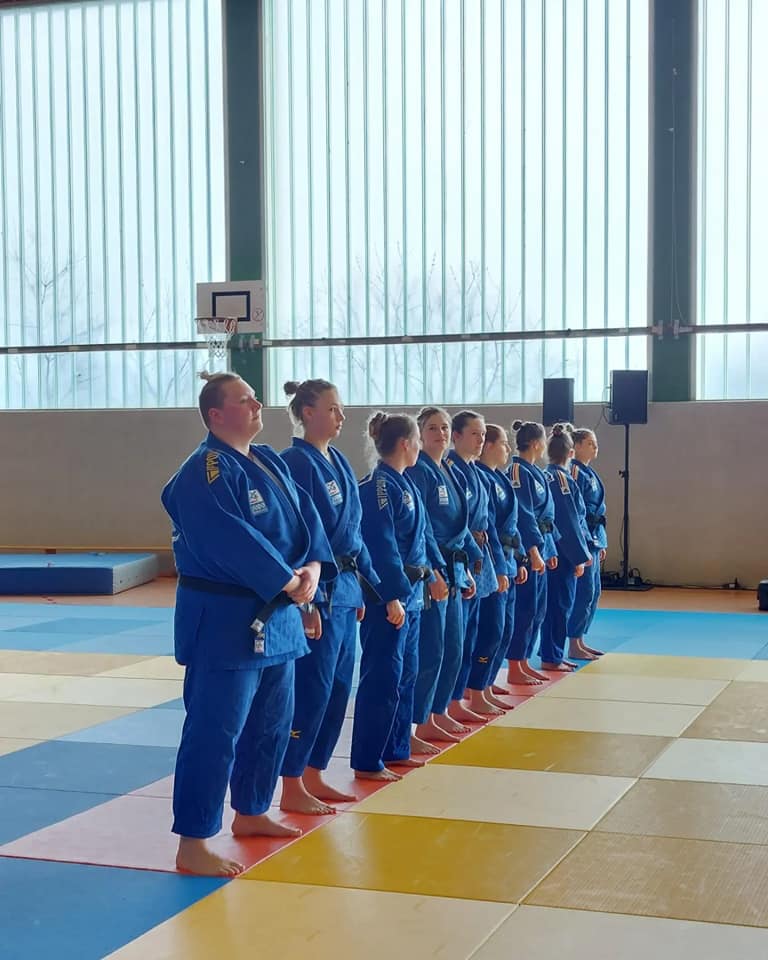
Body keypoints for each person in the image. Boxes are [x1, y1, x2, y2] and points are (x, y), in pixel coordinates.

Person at [161, 372, 336, 877]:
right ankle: (194, 841)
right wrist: (288, 579)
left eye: (255, 398)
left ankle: (253, 810)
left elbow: (309, 523)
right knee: (215, 731)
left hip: (277, 617)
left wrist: (312, 570)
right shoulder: (204, 471)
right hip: (225, 622)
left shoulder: (268, 461)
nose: (257, 404)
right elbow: (229, 539)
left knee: (271, 724)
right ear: (216, 415)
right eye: (245, 399)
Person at [278, 379, 382, 815]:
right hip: (317, 591)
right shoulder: (294, 464)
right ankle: (291, 781)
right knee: (312, 689)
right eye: (333, 408)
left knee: (338, 689)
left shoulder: (337, 460)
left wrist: (366, 590)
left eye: (341, 409)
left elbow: (354, 533)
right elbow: (296, 537)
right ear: (307, 412)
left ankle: (315, 771)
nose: (341, 416)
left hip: (345, 588)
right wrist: (307, 602)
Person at [351, 412, 436, 781]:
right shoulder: (378, 487)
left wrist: (430, 575)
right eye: (417, 439)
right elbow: (380, 547)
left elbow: (418, 541)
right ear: (405, 443)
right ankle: (368, 759)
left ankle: (396, 748)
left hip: (411, 593)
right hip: (388, 598)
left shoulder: (404, 483)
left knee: (405, 674)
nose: (419, 446)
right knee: (382, 678)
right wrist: (391, 597)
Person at [406, 407, 479, 743]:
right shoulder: (419, 471)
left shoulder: (447, 469)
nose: (441, 434)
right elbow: (419, 530)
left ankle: (438, 711)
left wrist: (467, 568)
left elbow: (461, 527)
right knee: (432, 648)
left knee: (453, 646)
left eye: (445, 428)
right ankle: (418, 721)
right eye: (433, 428)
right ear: (420, 434)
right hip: (433, 570)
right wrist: (433, 572)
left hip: (453, 568)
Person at [445, 410, 504, 723]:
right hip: (461, 558)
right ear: (456, 436)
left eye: (483, 434)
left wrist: (499, 564)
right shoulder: (451, 469)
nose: (481, 439)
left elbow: (487, 522)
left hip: (480, 555)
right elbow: (453, 523)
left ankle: (471, 692)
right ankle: (453, 700)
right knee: (459, 638)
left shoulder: (476, 472)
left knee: (477, 631)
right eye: (474, 434)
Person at [472, 424, 529, 710]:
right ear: (489, 446)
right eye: (504, 443)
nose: (508, 448)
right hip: (493, 563)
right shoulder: (481, 479)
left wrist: (519, 557)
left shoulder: (500, 478)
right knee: (491, 629)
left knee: (505, 628)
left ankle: (486, 681)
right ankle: (476, 688)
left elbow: (512, 525)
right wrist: (499, 567)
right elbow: (490, 527)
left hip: (507, 558)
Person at [505, 420, 557, 684]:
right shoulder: (517, 471)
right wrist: (533, 550)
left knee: (538, 609)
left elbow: (547, 514)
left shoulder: (536, 472)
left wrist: (550, 547)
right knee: (524, 609)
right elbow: (523, 514)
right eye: (544, 441)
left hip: (543, 545)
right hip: (527, 549)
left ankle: (524, 661)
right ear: (536, 443)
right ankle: (515, 665)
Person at [540, 424, 592, 671]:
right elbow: (569, 521)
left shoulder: (547, 474)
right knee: (559, 605)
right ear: (571, 453)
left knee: (555, 605)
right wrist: (579, 555)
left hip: (554, 549)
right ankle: (552, 656)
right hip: (562, 551)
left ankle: (553, 652)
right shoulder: (560, 479)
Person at [567, 427, 607, 659]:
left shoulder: (589, 472)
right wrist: (583, 544)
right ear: (577, 446)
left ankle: (580, 638)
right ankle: (573, 642)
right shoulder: (574, 471)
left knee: (594, 592)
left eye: (595, 443)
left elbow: (597, 512)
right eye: (590, 443)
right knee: (584, 592)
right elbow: (575, 511)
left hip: (594, 538)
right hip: (584, 539)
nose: (595, 447)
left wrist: (601, 542)